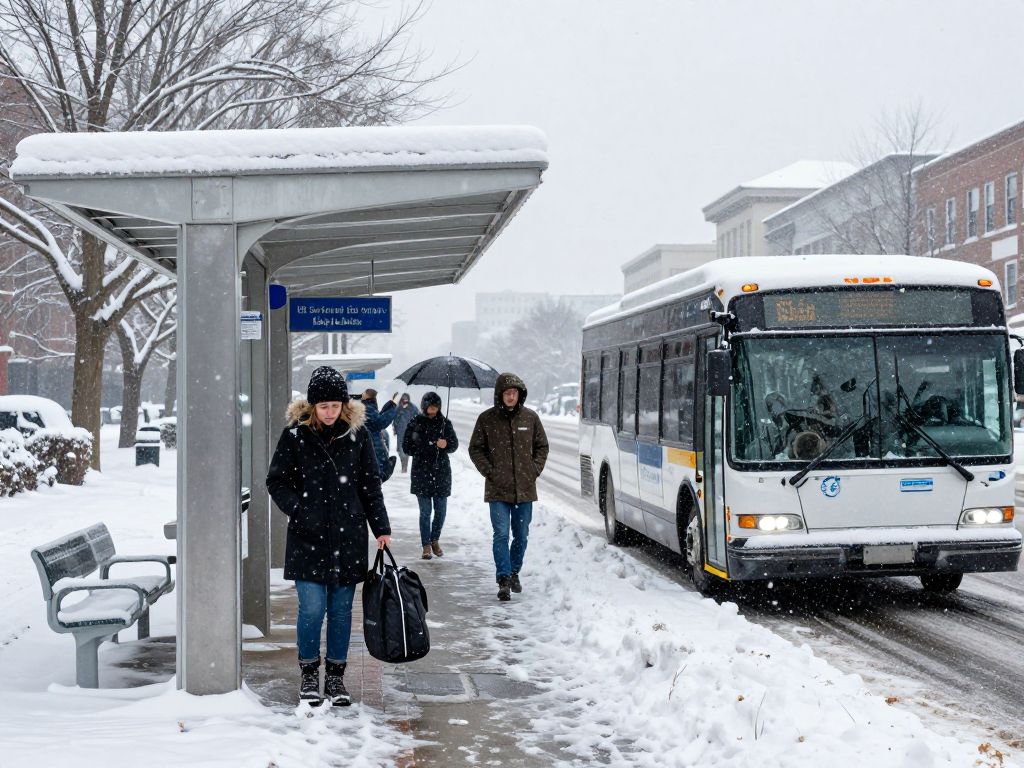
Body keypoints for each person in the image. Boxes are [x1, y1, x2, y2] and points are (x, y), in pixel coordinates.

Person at [266, 366, 392, 706]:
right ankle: (309, 673)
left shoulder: (358, 435)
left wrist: (381, 528)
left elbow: (370, 485)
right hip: (307, 538)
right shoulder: (295, 436)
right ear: (312, 406)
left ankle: (335, 678)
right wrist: (300, 508)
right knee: (311, 608)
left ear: (343, 404)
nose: (330, 411)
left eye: (335, 405)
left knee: (340, 611)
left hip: (348, 536)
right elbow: (275, 481)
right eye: (323, 406)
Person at [468, 372, 549, 602]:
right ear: (500, 395)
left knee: (521, 535)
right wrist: (490, 472)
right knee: (501, 534)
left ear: (519, 394)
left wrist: (534, 470)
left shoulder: (530, 418)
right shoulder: (487, 420)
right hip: (497, 490)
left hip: (525, 488)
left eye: (514, 393)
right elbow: (475, 449)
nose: (511, 396)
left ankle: (514, 572)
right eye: (507, 393)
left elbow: (542, 446)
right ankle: (503, 578)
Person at [403, 391, 458, 560]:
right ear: (424, 406)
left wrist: (446, 443)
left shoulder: (445, 423)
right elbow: (406, 447)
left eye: (436, 406)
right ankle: (426, 545)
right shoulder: (415, 422)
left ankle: (435, 539)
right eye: (430, 406)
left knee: (441, 511)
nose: (433, 410)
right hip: (421, 472)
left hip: (441, 472)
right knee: (425, 512)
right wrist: (421, 446)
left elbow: (454, 445)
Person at [361, 388, 399, 481]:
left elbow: (378, 418)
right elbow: (380, 422)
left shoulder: (367, 406)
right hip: (373, 447)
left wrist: (392, 404)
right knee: (376, 476)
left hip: (371, 447)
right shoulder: (367, 407)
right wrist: (393, 406)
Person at [392, 393, 420, 473]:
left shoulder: (413, 408)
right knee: (399, 450)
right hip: (400, 433)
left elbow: (418, 419)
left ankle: (404, 466)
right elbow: (394, 419)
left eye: (406, 400)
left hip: (409, 434)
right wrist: (395, 428)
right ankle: (403, 463)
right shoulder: (398, 409)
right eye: (403, 400)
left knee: (405, 450)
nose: (404, 402)